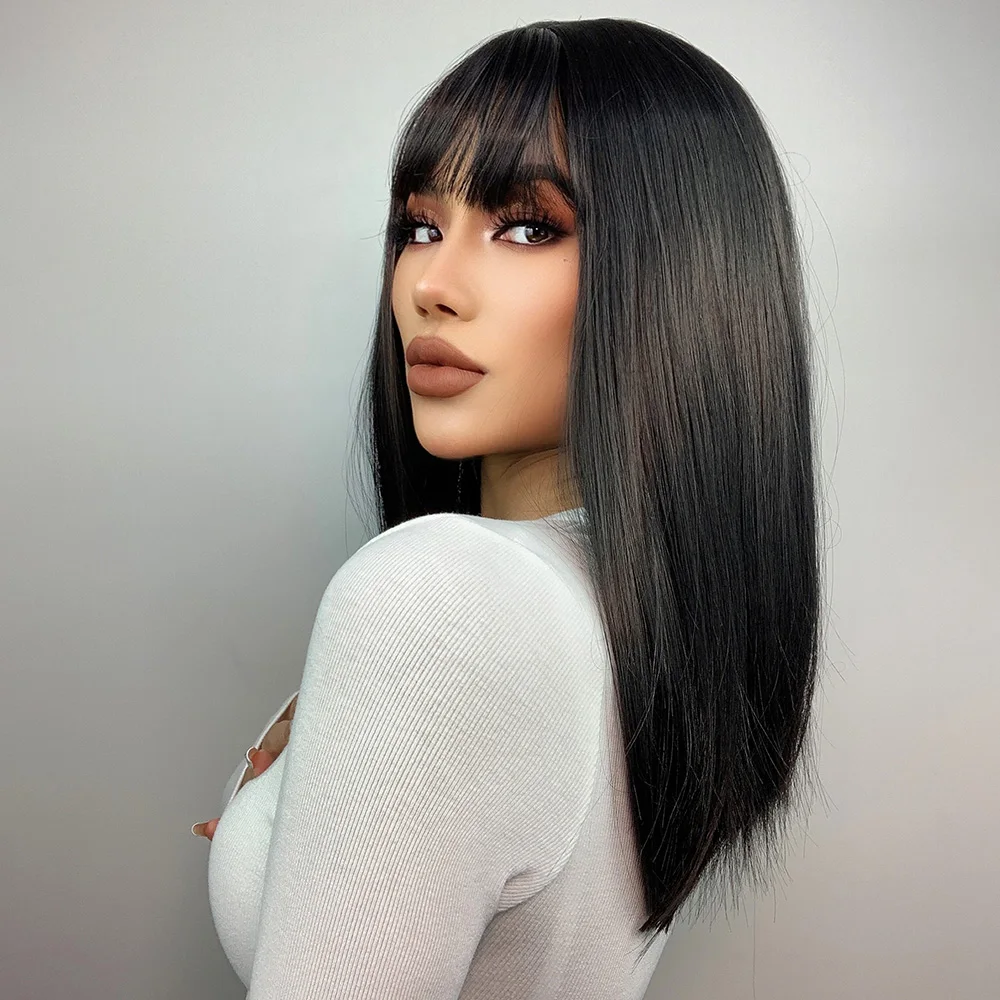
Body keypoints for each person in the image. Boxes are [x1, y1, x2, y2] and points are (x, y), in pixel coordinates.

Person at [193, 16, 823, 998]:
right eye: (418, 226)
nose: (431, 286)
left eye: (527, 226)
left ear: (680, 274)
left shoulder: (444, 602)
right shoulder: (629, 617)